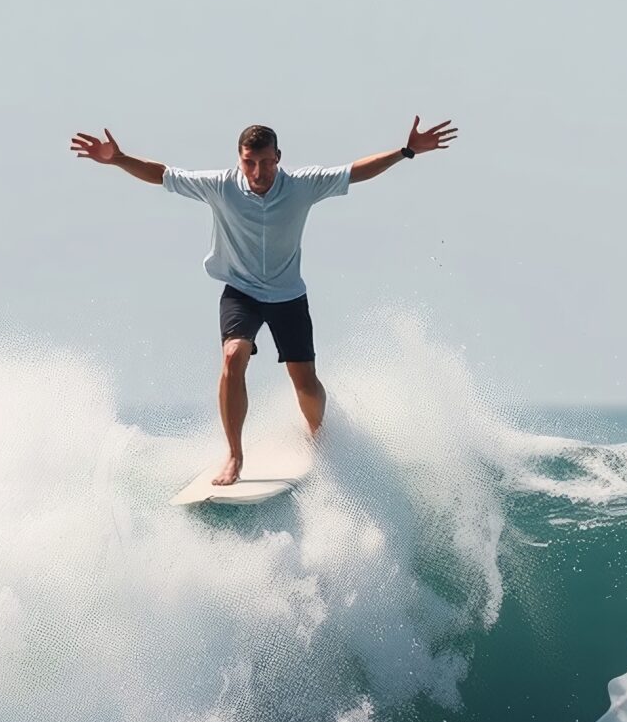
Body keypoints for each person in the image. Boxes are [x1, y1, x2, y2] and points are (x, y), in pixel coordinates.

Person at [69, 117, 460, 486]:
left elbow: (354, 171)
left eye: (265, 163)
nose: (257, 172)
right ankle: (235, 456)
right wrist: (118, 159)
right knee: (232, 356)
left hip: (288, 295)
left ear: (278, 158)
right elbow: (164, 174)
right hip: (240, 291)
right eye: (249, 163)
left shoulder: (302, 185)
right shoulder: (221, 186)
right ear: (239, 160)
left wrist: (405, 151)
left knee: (304, 382)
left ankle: (319, 437)